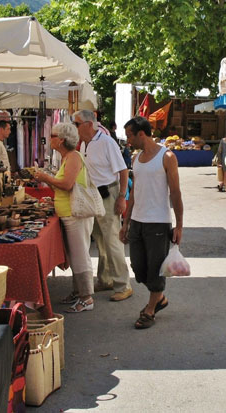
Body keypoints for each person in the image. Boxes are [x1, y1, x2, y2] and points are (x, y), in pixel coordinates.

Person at [119, 116, 183, 329]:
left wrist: (179, 225)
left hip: (158, 222)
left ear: (141, 134)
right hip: (137, 220)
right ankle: (160, 298)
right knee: (138, 267)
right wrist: (126, 222)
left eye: (130, 135)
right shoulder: (136, 158)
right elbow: (135, 192)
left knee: (155, 268)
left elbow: (175, 193)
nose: (128, 140)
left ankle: (150, 309)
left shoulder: (167, 156)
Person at [73, 109, 133, 302]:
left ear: (89, 124)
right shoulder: (85, 144)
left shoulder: (107, 142)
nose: (75, 128)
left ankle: (123, 284)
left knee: (113, 240)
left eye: (77, 124)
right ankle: (106, 278)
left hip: (109, 194)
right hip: (94, 195)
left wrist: (122, 197)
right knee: (100, 239)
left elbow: (123, 171)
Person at [35, 122, 95, 313]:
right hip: (68, 213)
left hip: (75, 214)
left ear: (61, 140)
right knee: (74, 255)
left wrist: (46, 178)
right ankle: (78, 292)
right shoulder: (67, 157)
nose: (49, 138)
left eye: (52, 135)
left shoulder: (74, 157)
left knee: (79, 256)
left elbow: (68, 184)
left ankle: (86, 298)